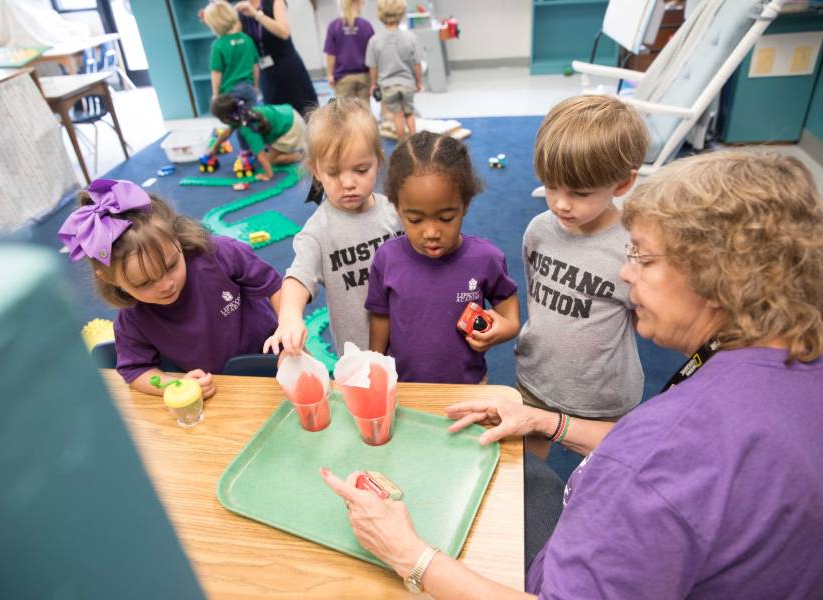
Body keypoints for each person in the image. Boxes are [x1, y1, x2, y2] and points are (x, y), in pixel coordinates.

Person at [321, 150, 823, 598]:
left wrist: (411, 555)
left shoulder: (655, 460)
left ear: (719, 277)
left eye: (644, 258)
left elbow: (657, 466)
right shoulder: (815, 366)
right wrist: (547, 421)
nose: (626, 272)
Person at [57, 179, 282, 399]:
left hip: (274, 361)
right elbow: (135, 371)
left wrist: (288, 326)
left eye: (171, 265)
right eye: (144, 283)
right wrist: (175, 385)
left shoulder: (220, 254)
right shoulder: (133, 320)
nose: (166, 285)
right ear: (110, 279)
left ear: (176, 236)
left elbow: (274, 286)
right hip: (219, 392)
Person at [516, 95, 648, 458]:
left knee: (605, 483)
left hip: (604, 398)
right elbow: (535, 297)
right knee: (527, 476)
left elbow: (644, 322)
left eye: (580, 193)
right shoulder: (537, 230)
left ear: (621, 184)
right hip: (536, 380)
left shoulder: (633, 249)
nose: (561, 203)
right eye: (552, 186)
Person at [366, 131, 520, 384]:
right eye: (415, 220)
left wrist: (504, 329)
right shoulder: (387, 259)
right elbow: (381, 316)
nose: (431, 233)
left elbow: (509, 311)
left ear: (466, 204)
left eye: (446, 218)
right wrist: (374, 365)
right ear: (396, 207)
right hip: (404, 387)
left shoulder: (486, 258)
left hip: (469, 386)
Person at [263, 97, 403, 356]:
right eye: (334, 173)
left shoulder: (397, 213)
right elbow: (297, 277)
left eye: (361, 170)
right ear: (316, 170)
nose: (348, 183)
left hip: (413, 343)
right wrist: (290, 317)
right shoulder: (318, 231)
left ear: (378, 161)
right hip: (360, 357)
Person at [234, 0, 319, 114]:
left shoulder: (275, 2)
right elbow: (235, 40)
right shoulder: (242, 10)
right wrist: (219, 17)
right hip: (266, 71)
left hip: (287, 66)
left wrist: (256, 14)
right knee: (274, 114)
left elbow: (284, 32)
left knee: (304, 110)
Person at [209, 95, 305, 181]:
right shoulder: (242, 113)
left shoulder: (247, 127)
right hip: (289, 113)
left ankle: (302, 155)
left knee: (270, 160)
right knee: (267, 155)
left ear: (226, 119)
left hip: (292, 127)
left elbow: (260, 153)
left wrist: (268, 174)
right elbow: (227, 132)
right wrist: (214, 147)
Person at [366, 0, 423, 140]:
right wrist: (419, 82)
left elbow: (373, 67)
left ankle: (402, 143)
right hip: (407, 83)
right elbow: (417, 64)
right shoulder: (411, 37)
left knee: (397, 115)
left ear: (380, 14)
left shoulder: (374, 40)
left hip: (387, 85)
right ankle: (414, 143)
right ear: (401, 13)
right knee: (409, 113)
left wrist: (373, 84)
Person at [203, 0, 259, 107]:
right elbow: (255, 66)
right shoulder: (247, 39)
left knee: (235, 120)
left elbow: (216, 73)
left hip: (230, 92)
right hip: (249, 88)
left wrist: (215, 95)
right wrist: (255, 86)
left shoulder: (218, 45)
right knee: (252, 118)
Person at [324, 0, 375, 101]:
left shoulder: (334, 26)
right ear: (361, 2)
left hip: (343, 78)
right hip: (364, 77)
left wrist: (330, 74)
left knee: (345, 113)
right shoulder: (366, 26)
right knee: (364, 112)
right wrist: (374, 80)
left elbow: (331, 55)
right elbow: (373, 56)